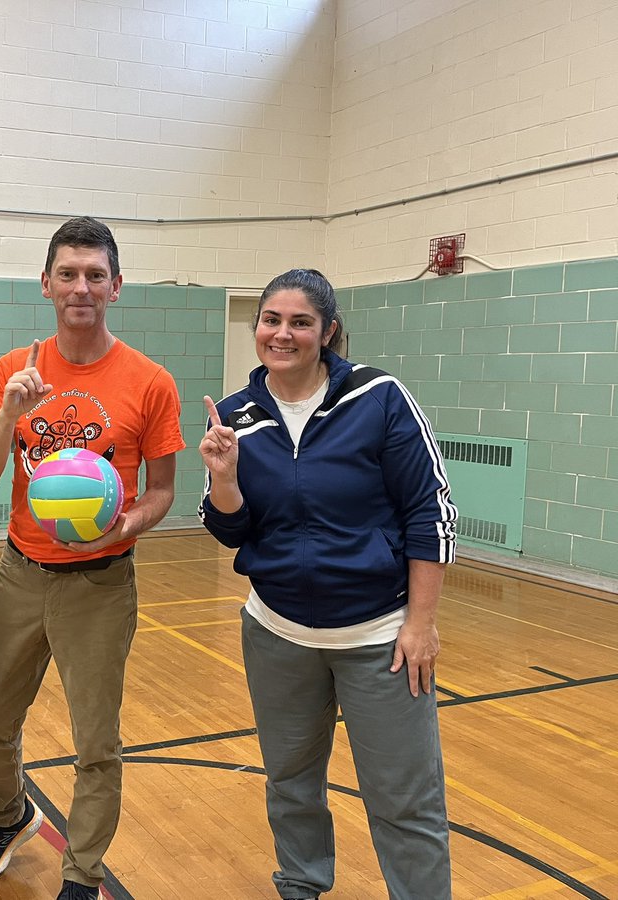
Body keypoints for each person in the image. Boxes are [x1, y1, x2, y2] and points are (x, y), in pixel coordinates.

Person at [197, 268, 457, 900]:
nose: (282, 334)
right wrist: (225, 477)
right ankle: (300, 885)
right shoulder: (236, 416)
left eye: (300, 322)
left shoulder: (379, 397)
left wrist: (419, 625)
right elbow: (230, 530)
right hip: (278, 634)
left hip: (380, 638)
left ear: (327, 330)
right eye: (271, 320)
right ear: (257, 326)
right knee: (290, 784)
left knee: (404, 799)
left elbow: (431, 511)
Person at [0, 216, 185, 900]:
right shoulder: (13, 370)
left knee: (97, 743)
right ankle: (10, 817)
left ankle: (83, 873)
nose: (80, 287)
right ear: (46, 283)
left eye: (94, 275)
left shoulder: (149, 381)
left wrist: (125, 522)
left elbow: (165, 491)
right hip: (19, 574)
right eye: (68, 274)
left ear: (116, 286)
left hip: (100, 583)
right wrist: (9, 413)